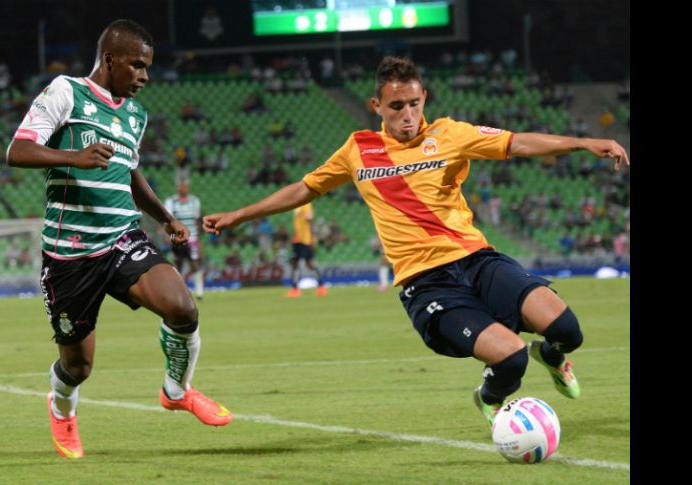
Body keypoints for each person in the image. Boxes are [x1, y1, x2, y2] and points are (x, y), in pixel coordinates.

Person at [203, 56, 629, 431]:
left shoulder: (450, 134)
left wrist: (585, 142)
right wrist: (240, 215)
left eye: (413, 103)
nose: (407, 115)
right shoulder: (359, 149)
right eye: (396, 107)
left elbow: (515, 142)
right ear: (376, 106)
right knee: (512, 358)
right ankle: (489, 397)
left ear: (424, 97)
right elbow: (304, 188)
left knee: (567, 331)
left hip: (478, 261)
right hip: (427, 284)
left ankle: (552, 356)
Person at [6, 19, 232, 460]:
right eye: (137, 65)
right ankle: (62, 407)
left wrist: (165, 217)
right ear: (110, 59)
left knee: (183, 308)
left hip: (122, 239)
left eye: (148, 67)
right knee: (78, 366)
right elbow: (17, 150)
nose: (145, 76)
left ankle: (176, 390)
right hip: (70, 256)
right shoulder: (66, 92)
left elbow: (129, 172)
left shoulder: (134, 114)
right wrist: (73, 157)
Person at [164, 179, 205, 300]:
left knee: (195, 263)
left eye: (185, 186)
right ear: (177, 187)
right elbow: (168, 221)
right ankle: (179, 291)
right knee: (178, 263)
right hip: (178, 237)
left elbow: (196, 221)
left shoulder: (194, 201)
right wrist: (169, 236)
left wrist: (199, 241)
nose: (183, 188)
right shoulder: (171, 202)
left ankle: (199, 291)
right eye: (181, 186)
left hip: (192, 238)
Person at [286, 202, 327, 297]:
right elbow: (298, 224)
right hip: (298, 239)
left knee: (299, 263)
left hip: (305, 240)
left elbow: (310, 221)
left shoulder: (306, 204)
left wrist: (312, 239)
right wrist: (293, 237)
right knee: (306, 263)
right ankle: (320, 287)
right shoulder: (298, 205)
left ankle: (295, 289)